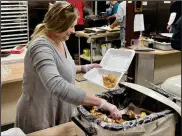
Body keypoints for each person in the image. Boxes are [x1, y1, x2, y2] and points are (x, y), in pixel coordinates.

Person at [15, 2, 121, 134]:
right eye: (71, 26)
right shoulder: (40, 47)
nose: (73, 31)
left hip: (59, 110)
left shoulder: (60, 39)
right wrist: (101, 103)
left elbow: (62, 67)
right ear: (58, 25)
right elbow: (56, 85)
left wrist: (84, 67)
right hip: (40, 116)